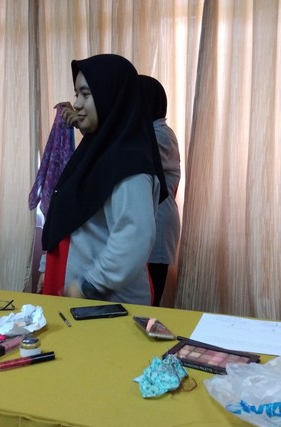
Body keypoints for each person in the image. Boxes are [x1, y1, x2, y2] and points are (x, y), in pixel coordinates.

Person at [41, 54, 167, 305]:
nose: (77, 104)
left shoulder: (128, 162)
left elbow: (134, 236)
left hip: (107, 305)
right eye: (76, 94)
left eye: (86, 95)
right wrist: (49, 268)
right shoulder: (96, 153)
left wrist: (89, 285)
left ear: (111, 97)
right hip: (84, 302)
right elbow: (69, 219)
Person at [138, 75, 181, 306]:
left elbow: (129, 153)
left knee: (151, 295)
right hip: (153, 220)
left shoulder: (160, 134)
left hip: (160, 222)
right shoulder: (149, 131)